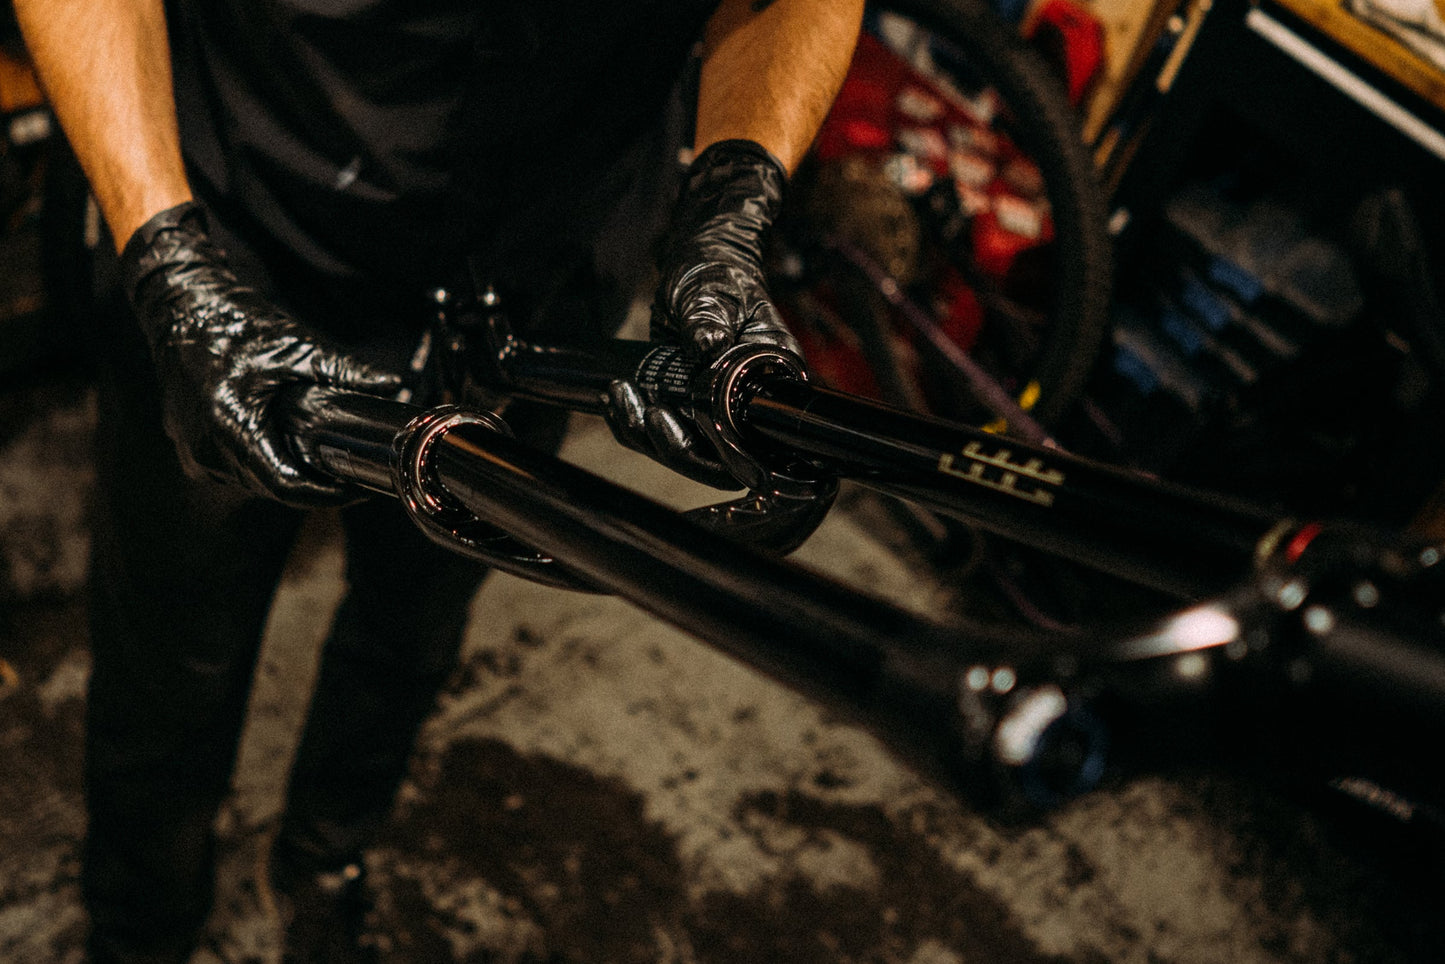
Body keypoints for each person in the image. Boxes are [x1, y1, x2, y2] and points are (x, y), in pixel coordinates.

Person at [12, 1, 864, 962]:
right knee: (173, 658)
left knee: (415, 615)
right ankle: (140, 932)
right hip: (239, 227)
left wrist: (727, 206)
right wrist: (167, 263)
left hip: (541, 269)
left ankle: (324, 859)